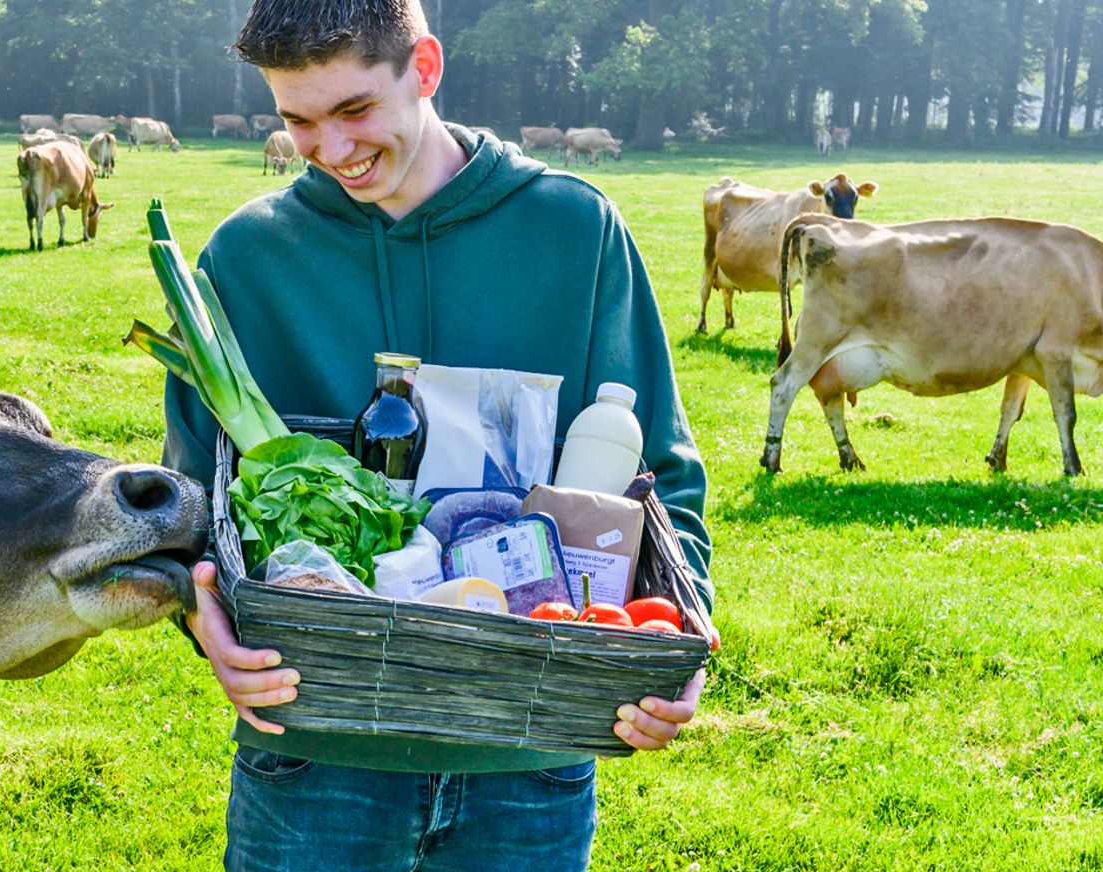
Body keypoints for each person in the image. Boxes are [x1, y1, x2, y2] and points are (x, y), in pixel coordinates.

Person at [160, 1, 714, 869]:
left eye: (353, 111)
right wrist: (207, 627)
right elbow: (193, 498)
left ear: (424, 67)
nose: (332, 150)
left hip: (528, 763)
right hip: (317, 754)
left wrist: (681, 639)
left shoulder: (574, 231)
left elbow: (664, 476)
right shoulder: (247, 258)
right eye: (298, 121)